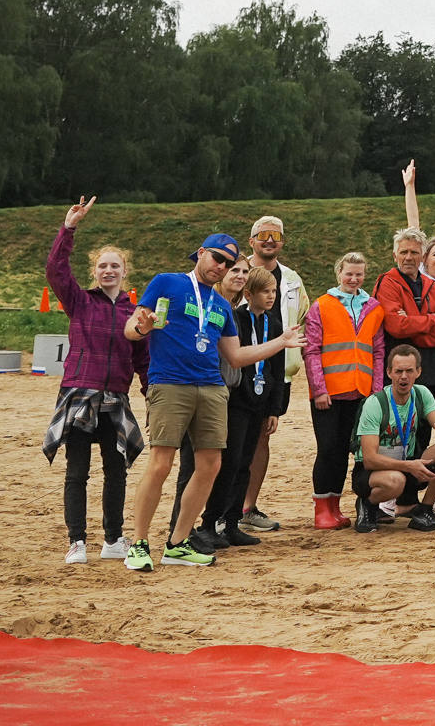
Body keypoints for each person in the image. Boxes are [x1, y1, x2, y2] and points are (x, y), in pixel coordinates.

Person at [122, 233, 300, 569]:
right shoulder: (167, 283)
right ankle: (140, 543)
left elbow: (235, 357)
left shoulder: (221, 306)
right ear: (201, 253)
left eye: (230, 264)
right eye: (217, 258)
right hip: (171, 384)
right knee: (161, 463)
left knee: (211, 466)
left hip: (213, 389)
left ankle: (177, 543)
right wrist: (143, 328)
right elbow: (133, 327)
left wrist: (281, 341)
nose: (221, 267)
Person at [43, 197, 147, 565]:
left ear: (124, 272)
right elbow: (55, 270)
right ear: (95, 271)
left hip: (116, 398)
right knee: (77, 471)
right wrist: (68, 228)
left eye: (114, 265)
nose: (108, 270)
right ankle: (77, 542)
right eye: (102, 265)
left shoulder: (136, 314)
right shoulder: (80, 301)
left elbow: (142, 359)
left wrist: (151, 396)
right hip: (79, 394)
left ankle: (113, 539)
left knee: (115, 470)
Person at [200, 267, 293, 549]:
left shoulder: (275, 325)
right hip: (236, 401)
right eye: (265, 291)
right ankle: (210, 522)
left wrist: (274, 409)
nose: (270, 296)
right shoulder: (236, 318)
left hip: (260, 402)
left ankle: (232, 523)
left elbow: (277, 369)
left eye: (274, 291)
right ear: (249, 294)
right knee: (229, 463)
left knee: (245, 465)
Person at [300, 251, 386, 531]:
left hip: (361, 393)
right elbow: (311, 350)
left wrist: (375, 391)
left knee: (349, 452)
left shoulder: (374, 307)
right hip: (329, 394)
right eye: (349, 273)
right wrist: (319, 388)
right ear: (339, 273)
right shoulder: (321, 306)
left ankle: (336, 507)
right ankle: (322, 508)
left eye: (359, 274)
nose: (353, 278)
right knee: (328, 450)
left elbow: (378, 351)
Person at [239, 213, 307, 535]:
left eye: (276, 235)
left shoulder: (292, 279)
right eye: (263, 234)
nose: (269, 239)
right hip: (240, 367)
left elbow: (303, 317)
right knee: (233, 437)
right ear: (251, 241)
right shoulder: (238, 273)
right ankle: (223, 504)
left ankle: (247, 507)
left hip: (278, 372)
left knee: (262, 436)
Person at [352, 341, 435, 534]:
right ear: (389, 373)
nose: (404, 376)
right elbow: (369, 460)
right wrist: (410, 466)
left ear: (418, 372)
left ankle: (424, 510)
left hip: (408, 464)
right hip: (374, 473)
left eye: (409, 371)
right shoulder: (375, 403)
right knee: (396, 481)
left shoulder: (422, 393)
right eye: (398, 371)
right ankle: (367, 504)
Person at [377, 227, 435, 408]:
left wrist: (412, 324)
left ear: (423, 256)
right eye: (404, 252)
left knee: (423, 430)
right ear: (395, 255)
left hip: (429, 370)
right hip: (398, 369)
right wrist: (431, 319)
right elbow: (396, 326)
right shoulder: (387, 282)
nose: (409, 257)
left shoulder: (432, 286)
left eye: (414, 252)